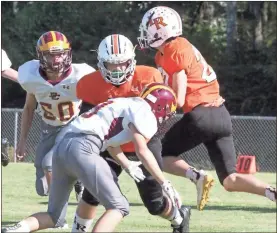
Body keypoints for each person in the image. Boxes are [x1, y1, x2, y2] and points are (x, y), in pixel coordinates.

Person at [2, 84, 189, 233]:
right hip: (83, 147)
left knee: (54, 217)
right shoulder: (144, 111)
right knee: (119, 206)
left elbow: (110, 141)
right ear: (160, 107)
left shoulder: (125, 104)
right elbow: (142, 149)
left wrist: (126, 164)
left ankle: (17, 229)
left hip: (61, 148)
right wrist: (164, 182)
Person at [137, 6, 277, 206]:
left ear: (160, 31)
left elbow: (179, 96)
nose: (144, 34)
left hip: (200, 115)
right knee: (230, 180)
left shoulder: (173, 49)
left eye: (147, 28)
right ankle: (271, 192)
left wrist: (157, 113)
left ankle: (196, 176)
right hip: (221, 115)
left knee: (159, 154)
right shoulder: (171, 50)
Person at [72, 34, 191, 233]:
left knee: (154, 203)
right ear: (101, 63)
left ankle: (179, 218)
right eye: (111, 64)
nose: (118, 69)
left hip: (143, 141)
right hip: (109, 144)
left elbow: (162, 113)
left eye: (122, 63)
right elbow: (92, 127)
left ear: (132, 61)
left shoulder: (149, 76)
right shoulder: (89, 84)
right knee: (92, 192)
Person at [15, 31, 95, 204]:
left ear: (68, 54)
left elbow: (99, 99)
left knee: (49, 163)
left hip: (72, 125)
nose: (57, 59)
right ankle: (76, 177)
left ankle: (56, 213)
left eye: (60, 54)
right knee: (41, 186)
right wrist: (22, 140)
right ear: (41, 56)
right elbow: (29, 108)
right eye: (51, 55)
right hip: (48, 128)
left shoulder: (80, 75)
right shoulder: (32, 77)